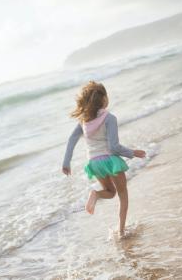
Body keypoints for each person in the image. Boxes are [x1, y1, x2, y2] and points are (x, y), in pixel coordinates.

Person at [62, 81, 146, 239]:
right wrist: (132, 152)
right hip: (110, 160)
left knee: (110, 192)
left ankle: (95, 194)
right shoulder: (110, 118)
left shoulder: (83, 121)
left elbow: (72, 139)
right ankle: (121, 231)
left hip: (94, 163)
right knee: (122, 194)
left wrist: (66, 162)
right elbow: (114, 147)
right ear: (103, 99)